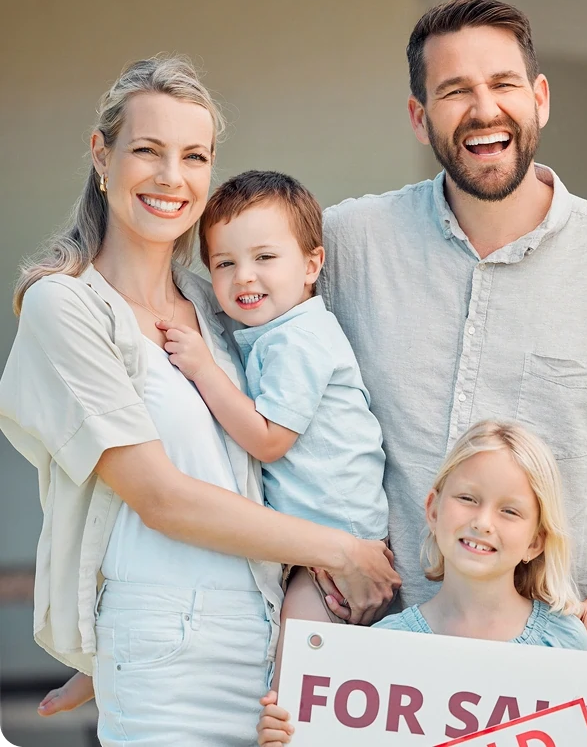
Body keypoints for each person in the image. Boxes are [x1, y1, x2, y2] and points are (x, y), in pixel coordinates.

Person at [0, 56, 399, 745]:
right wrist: (344, 551)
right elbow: (161, 499)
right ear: (101, 155)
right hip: (168, 655)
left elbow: (260, 467)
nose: (171, 176)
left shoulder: (217, 304)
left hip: (270, 633)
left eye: (193, 156)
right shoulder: (65, 306)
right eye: (146, 151)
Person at [318, 0, 587, 747]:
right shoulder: (349, 245)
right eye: (454, 91)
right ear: (419, 118)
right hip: (397, 695)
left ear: (539, 97)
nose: (484, 110)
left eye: (503, 83)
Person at [256, 420, 587, 747]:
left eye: (510, 511)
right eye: (468, 498)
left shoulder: (566, 642)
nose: (483, 522)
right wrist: (289, 738)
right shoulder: (384, 648)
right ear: (433, 510)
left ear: (536, 541)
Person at [157, 169, 388, 670]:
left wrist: (203, 369)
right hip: (317, 537)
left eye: (264, 257)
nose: (244, 276)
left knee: (297, 665)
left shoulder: (298, 340)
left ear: (311, 265)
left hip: (337, 537)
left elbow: (268, 440)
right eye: (225, 263)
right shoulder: (272, 332)